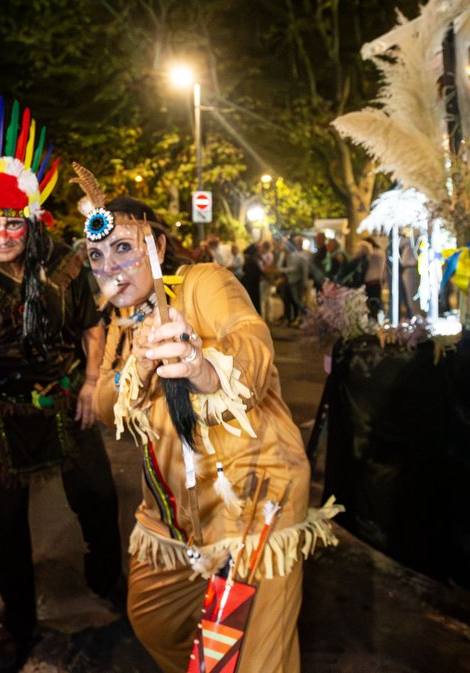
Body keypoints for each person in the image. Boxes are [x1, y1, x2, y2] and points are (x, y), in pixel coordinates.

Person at [77, 184, 340, 673]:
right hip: (173, 513)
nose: (110, 266)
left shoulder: (203, 282)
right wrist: (137, 366)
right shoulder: (121, 322)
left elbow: (251, 339)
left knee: (254, 658)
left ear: (157, 247)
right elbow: (106, 404)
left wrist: (204, 369)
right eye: (97, 255)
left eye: (123, 248)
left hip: (254, 497)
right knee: (152, 620)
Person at [0, 103, 121, 673]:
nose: (3, 235)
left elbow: (92, 327)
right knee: (8, 526)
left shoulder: (62, 264)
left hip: (66, 399)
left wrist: (92, 383)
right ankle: (19, 621)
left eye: (14, 223)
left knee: (100, 499)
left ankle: (107, 578)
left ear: (33, 220)